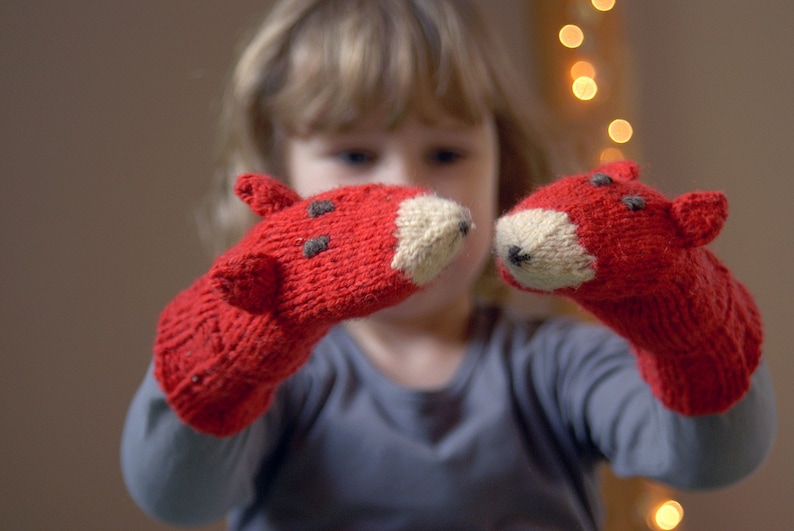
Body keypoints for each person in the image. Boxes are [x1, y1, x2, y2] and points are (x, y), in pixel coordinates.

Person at [121, 1, 776, 529]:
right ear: (275, 179)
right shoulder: (279, 386)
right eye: (353, 155)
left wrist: (686, 310)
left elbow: (715, 458)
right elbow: (175, 495)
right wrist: (231, 352)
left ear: (504, 173)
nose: (410, 189)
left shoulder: (557, 365)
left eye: (445, 153)